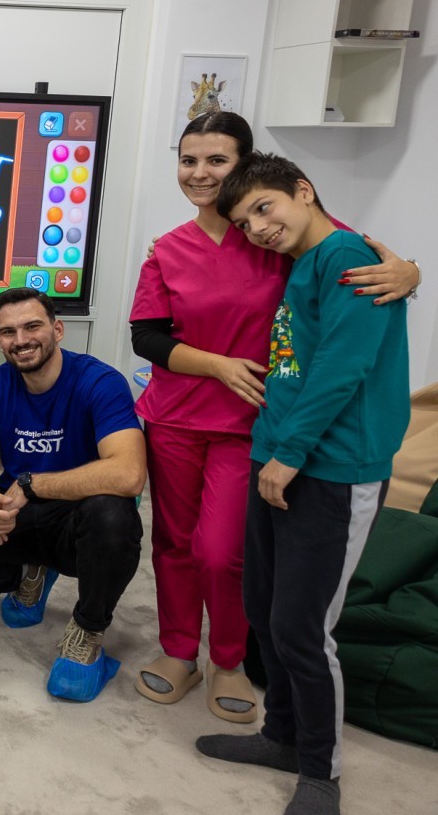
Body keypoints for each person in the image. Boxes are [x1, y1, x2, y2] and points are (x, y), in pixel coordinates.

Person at [130, 113, 419, 723]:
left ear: (248, 166)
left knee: (222, 552)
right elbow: (147, 336)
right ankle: (179, 651)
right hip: (175, 416)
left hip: (253, 423)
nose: (200, 173)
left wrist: (410, 272)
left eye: (217, 160)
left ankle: (228, 659)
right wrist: (216, 365)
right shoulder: (167, 250)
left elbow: (361, 266)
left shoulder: (275, 236)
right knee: (173, 543)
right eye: (188, 160)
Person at [196, 154, 409, 815]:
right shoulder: (303, 262)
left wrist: (288, 454)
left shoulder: (346, 255)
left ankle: (321, 772)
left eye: (265, 207)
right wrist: (274, 452)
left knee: (305, 629)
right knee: (264, 610)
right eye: (244, 221)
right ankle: (281, 736)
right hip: (280, 458)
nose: (258, 227)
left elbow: (343, 366)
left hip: (333, 470)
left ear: (304, 191)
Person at [0, 287, 146, 702]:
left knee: (114, 515)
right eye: (8, 332)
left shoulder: (100, 382)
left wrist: (32, 484)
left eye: (32, 326)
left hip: (80, 521)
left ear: (58, 330)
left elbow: (129, 474)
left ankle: (88, 631)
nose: (20, 340)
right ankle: (29, 572)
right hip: (18, 516)